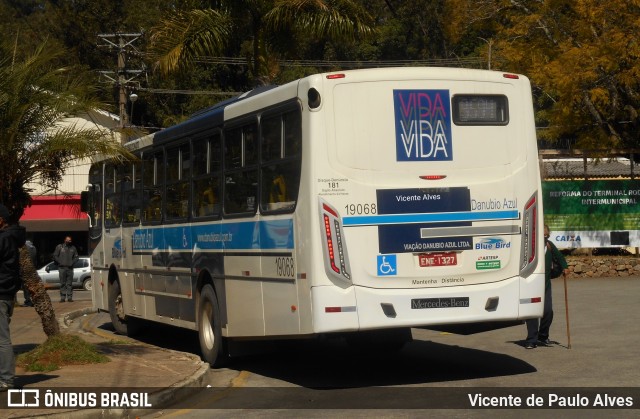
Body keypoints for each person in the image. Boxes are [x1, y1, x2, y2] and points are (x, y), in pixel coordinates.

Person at [525, 225, 568, 349]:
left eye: (546, 235)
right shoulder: (530, 247)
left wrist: (565, 267)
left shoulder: (549, 245)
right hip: (531, 286)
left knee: (548, 311)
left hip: (546, 285)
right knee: (532, 313)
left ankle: (543, 336)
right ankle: (531, 339)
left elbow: (559, 257)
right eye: (542, 235)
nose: (545, 237)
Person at [0, 204, 27, 391]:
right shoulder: (10, 238)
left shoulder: (3, 239)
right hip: (6, 295)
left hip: (0, 295)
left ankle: (6, 380)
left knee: (2, 340)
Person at [53, 235, 79, 303]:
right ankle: (62, 297)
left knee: (69, 284)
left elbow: (76, 257)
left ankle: (70, 297)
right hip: (62, 268)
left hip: (70, 268)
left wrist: (72, 262)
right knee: (62, 283)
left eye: (70, 240)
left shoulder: (73, 248)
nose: (69, 241)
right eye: (68, 240)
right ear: (65, 240)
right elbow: (55, 255)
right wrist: (60, 262)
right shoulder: (60, 247)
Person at [21, 240, 37, 307]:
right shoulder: (34, 248)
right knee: (31, 286)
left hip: (25, 270)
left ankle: (28, 301)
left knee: (26, 287)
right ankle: (33, 300)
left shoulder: (25, 249)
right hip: (32, 269)